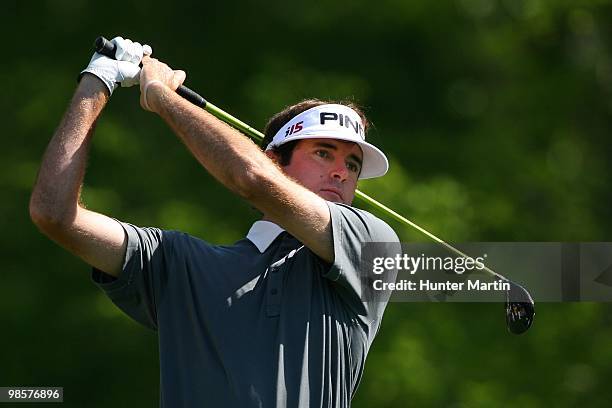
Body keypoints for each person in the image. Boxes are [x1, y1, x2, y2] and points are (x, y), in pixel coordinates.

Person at [29, 37, 399, 407]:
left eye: (352, 164)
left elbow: (253, 178)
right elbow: (55, 213)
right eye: (323, 153)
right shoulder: (178, 263)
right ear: (275, 161)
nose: (341, 173)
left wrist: (162, 96)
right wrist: (98, 80)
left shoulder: (369, 242)